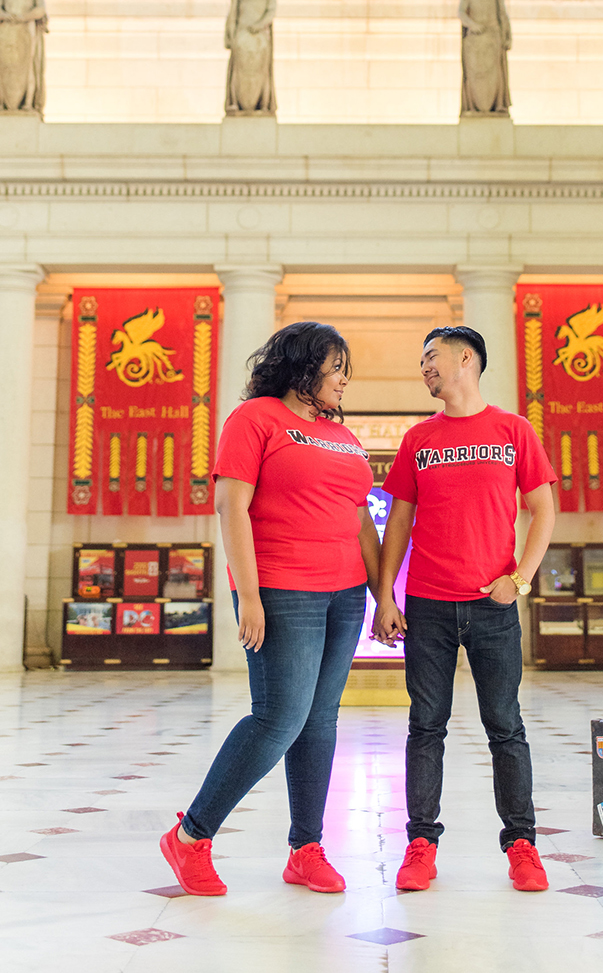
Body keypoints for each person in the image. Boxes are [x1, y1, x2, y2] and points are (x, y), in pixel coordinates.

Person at [160, 322, 379, 896]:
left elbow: (360, 519)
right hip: (283, 588)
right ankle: (190, 838)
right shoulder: (254, 419)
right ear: (303, 367)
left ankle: (306, 850)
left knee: (321, 720)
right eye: (336, 367)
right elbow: (231, 506)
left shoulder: (342, 435)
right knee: (277, 718)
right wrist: (248, 594)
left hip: (345, 592)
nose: (344, 379)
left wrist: (384, 594)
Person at [372, 325, 556, 893]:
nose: (424, 367)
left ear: (467, 360)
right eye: (422, 358)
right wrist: (385, 597)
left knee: (505, 726)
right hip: (427, 604)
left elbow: (543, 511)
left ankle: (522, 845)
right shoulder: (419, 439)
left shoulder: (513, 431)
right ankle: (421, 845)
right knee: (425, 727)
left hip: (492, 607)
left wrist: (518, 580)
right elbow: (397, 521)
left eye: (432, 357)